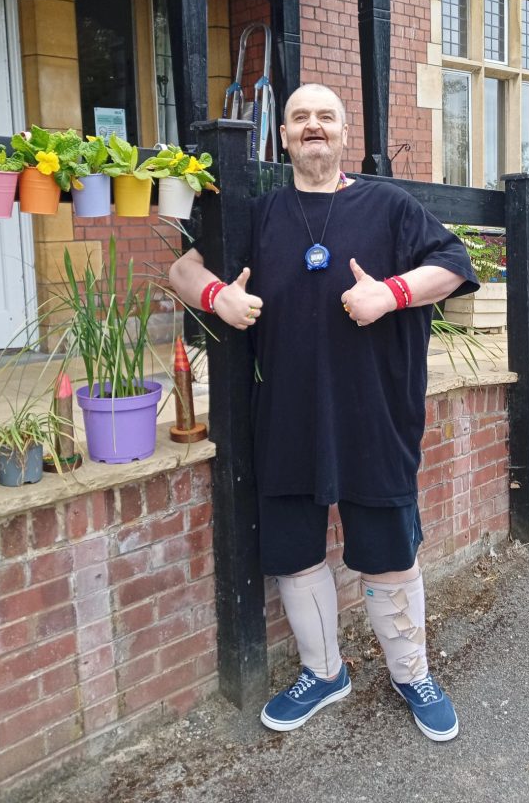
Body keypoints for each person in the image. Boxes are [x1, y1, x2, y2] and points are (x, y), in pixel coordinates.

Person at [169, 84, 478, 741]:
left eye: (326, 117)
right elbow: (183, 269)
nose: (313, 126)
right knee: (293, 549)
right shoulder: (258, 215)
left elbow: (455, 265)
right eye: (300, 117)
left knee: (389, 550)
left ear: (343, 133)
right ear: (283, 136)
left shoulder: (389, 206)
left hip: (376, 413)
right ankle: (324, 671)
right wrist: (218, 296)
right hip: (287, 413)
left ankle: (412, 672)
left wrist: (392, 293)